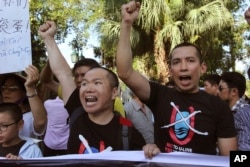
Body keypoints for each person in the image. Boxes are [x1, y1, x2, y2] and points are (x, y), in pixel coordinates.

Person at [116, 1, 237, 158]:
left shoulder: (219, 107)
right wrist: (126, 23)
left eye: (190, 60)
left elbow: (233, 158)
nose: (183, 67)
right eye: (176, 62)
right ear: (171, 70)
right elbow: (124, 72)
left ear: (203, 68)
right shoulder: (160, 95)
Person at [38, 21, 145, 154]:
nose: (88, 88)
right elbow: (63, 73)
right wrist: (48, 38)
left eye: (97, 83)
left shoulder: (128, 132)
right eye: (84, 83)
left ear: (114, 92)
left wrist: (150, 150)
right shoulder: (77, 111)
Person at [0, 65, 47, 138]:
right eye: (4, 87)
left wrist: (30, 87)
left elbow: (40, 122)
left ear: (24, 92)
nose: (6, 91)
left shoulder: (31, 116)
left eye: (13, 88)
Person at [217, 72, 250, 151]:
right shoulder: (229, 112)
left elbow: (245, 150)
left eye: (221, 88)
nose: (217, 92)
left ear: (234, 91)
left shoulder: (241, 113)